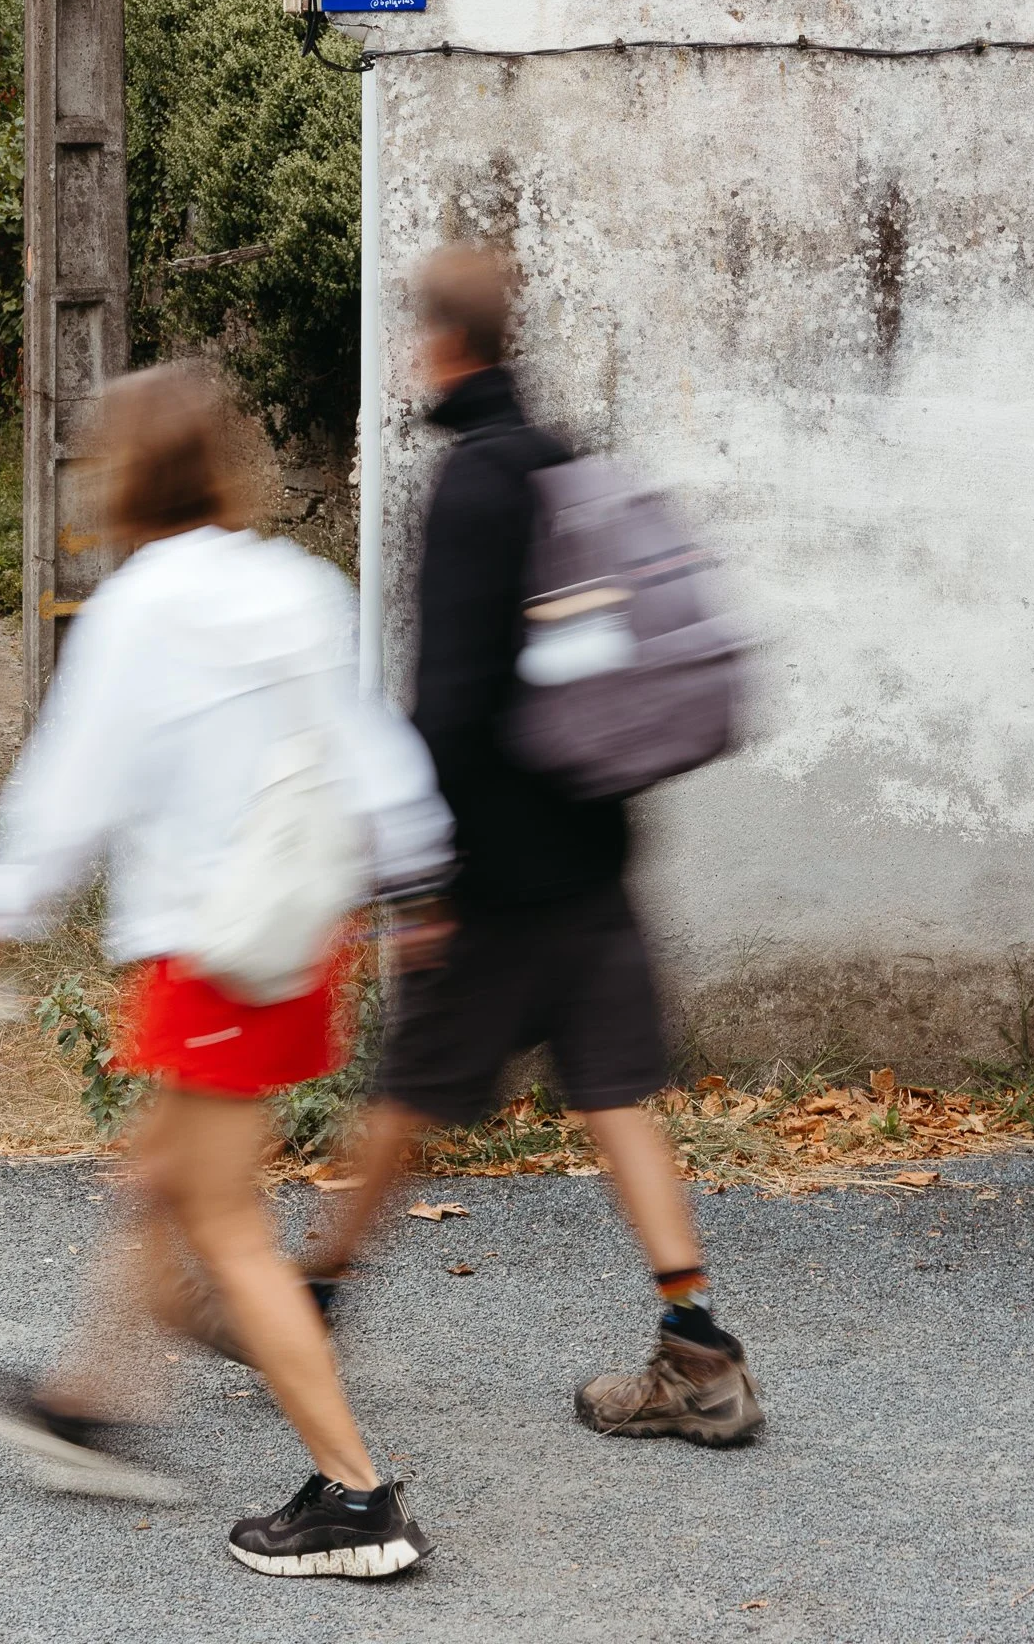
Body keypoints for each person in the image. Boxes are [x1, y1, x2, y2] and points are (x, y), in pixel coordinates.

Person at [0, 364, 451, 1578]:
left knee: (219, 1216)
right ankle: (86, 1405)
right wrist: (424, 878)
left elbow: (74, 783)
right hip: (298, 939)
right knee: (165, 1170)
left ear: (123, 476)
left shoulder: (143, 606)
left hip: (209, 949)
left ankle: (356, 1497)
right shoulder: (296, 584)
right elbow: (369, 749)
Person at [307, 244, 764, 1447]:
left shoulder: (473, 482)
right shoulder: (564, 460)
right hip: (591, 842)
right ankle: (701, 1351)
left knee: (406, 1092)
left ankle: (307, 1302)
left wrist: (427, 885)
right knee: (617, 1095)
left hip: (498, 869)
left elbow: (449, 701)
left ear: (444, 344)